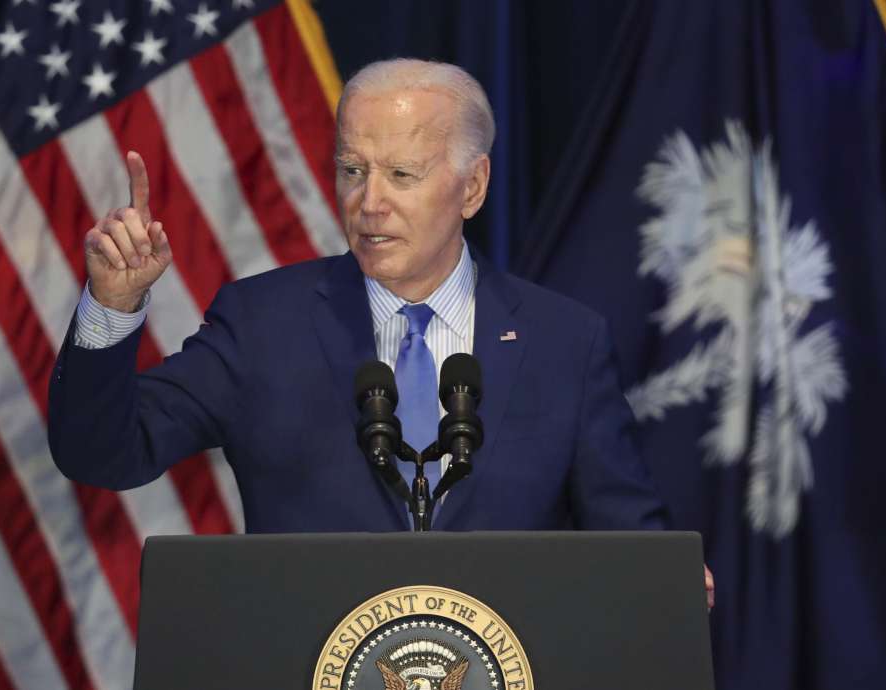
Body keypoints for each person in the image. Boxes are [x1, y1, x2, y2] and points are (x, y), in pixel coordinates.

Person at [47, 59, 713, 607]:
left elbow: (628, 539)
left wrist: (665, 584)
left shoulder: (565, 342)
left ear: (472, 186)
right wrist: (113, 304)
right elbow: (102, 451)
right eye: (353, 170)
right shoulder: (262, 325)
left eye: (401, 175)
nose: (369, 204)